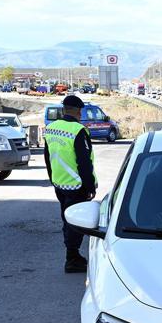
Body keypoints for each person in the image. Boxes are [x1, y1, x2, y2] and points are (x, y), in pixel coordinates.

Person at [43, 95, 96, 273]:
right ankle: (72, 258)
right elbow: (84, 162)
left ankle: (72, 255)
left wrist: (53, 179)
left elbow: (48, 158)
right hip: (76, 186)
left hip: (60, 184)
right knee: (76, 222)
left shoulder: (51, 128)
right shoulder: (78, 131)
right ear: (79, 111)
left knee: (67, 220)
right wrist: (90, 186)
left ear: (64, 109)